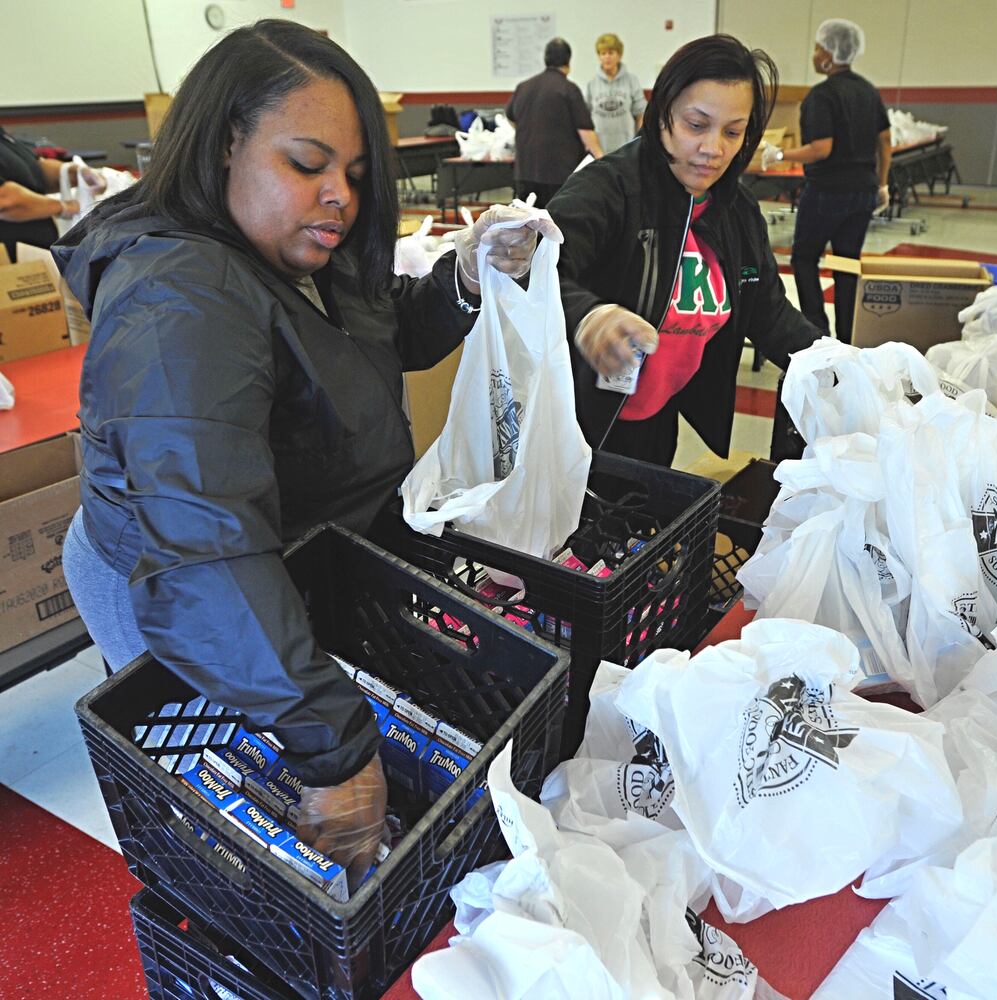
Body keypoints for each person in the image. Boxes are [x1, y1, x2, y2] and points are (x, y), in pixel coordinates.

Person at [51, 20, 553, 882]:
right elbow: (206, 544)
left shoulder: (294, 254)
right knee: (239, 842)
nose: (341, 198)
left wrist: (463, 280)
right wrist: (333, 746)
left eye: (355, 175)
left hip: (293, 557)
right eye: (307, 164)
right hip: (197, 592)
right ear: (221, 150)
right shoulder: (180, 303)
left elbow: (372, 328)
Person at [548, 34, 823, 467]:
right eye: (696, 125)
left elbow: (767, 311)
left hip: (656, 413)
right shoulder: (610, 190)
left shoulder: (736, 209)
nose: (714, 149)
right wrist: (586, 314)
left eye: (733, 132)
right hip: (577, 417)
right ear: (662, 116)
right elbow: (532, 266)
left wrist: (839, 363)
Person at [762, 19, 890, 344]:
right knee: (847, 263)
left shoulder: (822, 95)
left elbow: (822, 149)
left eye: (819, 48)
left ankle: (818, 333)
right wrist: (883, 184)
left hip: (828, 192)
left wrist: (780, 156)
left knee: (804, 258)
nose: (815, 54)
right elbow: (885, 141)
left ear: (830, 54)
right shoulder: (868, 90)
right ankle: (848, 337)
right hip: (863, 190)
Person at [506, 38, 603, 208]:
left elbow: (512, 118)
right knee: (556, 228)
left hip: (525, 171)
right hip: (559, 175)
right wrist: (602, 160)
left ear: (545, 59)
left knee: (526, 228)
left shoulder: (523, 87)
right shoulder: (569, 89)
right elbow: (586, 132)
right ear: (568, 62)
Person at [0, 126, 106, 259]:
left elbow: (35, 170)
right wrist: (64, 207)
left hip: (35, 257)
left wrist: (74, 173)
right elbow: (5, 201)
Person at [585, 33, 646, 154]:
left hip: (627, 148)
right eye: (603, 53)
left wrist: (640, 142)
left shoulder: (631, 80)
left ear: (619, 55)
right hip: (600, 151)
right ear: (599, 56)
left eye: (611, 53)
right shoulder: (591, 84)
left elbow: (641, 114)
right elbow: (586, 120)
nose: (607, 57)